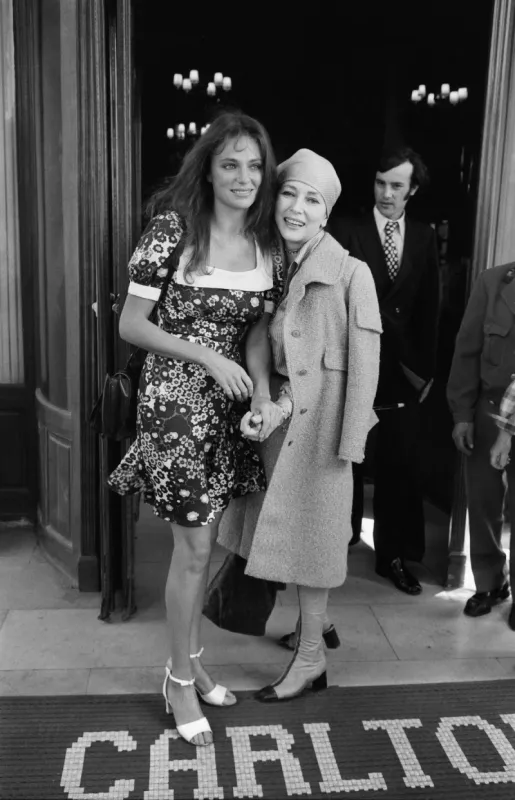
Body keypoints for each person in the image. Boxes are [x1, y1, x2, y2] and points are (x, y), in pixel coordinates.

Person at [108, 111, 284, 746]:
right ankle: (179, 680)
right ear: (207, 169)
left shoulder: (269, 243)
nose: (243, 176)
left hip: (231, 410)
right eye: (230, 163)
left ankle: (194, 662)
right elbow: (131, 325)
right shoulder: (172, 229)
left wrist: (261, 387)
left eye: (255, 165)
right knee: (194, 550)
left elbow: (259, 329)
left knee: (209, 545)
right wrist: (207, 355)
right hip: (176, 404)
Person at [218, 148, 381, 701]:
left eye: (312, 200)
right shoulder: (266, 263)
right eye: (289, 192)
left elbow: (363, 370)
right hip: (274, 429)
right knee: (286, 537)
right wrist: (264, 399)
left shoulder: (351, 274)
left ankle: (311, 656)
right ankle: (318, 628)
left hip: (320, 436)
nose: (297, 207)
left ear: (326, 214)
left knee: (314, 545)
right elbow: (259, 336)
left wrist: (351, 443)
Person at [331, 147, 440, 595]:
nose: (387, 193)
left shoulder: (423, 237)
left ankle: (391, 556)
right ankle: (337, 545)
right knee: (344, 461)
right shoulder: (345, 230)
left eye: (397, 185)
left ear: (412, 189)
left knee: (399, 465)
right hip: (351, 364)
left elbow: (430, 307)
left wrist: (425, 373)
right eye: (381, 183)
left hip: (404, 372)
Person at [447, 261, 515, 628]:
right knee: (484, 500)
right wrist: (462, 412)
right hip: (489, 411)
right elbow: (467, 349)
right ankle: (491, 582)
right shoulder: (493, 281)